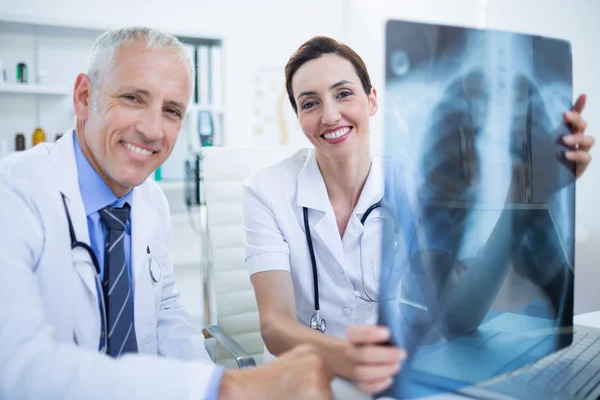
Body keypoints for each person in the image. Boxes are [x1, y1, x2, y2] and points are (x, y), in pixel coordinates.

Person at [0, 27, 353, 400]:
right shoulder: (14, 195)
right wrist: (226, 386)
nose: (153, 130)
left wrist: (207, 385)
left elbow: (168, 317)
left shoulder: (151, 202)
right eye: (133, 98)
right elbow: (15, 365)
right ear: (84, 97)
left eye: (171, 111)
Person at [242, 35, 594, 395]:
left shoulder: (410, 185)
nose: (330, 115)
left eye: (343, 93)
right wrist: (351, 358)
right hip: (301, 381)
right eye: (310, 103)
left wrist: (524, 199)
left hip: (387, 378)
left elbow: (459, 317)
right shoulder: (267, 190)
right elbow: (275, 325)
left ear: (372, 100)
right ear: (299, 116)